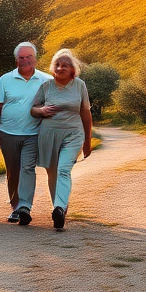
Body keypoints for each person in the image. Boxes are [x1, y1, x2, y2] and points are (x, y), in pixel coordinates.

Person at [29, 49, 93, 230]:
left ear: (73, 69)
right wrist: (40, 111)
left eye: (65, 65)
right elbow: (33, 109)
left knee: (63, 169)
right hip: (48, 134)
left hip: (73, 134)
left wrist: (87, 142)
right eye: (57, 64)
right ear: (52, 68)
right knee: (52, 172)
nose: (60, 67)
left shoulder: (79, 85)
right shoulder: (46, 87)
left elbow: (85, 113)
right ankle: (59, 205)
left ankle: (59, 208)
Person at [0, 42, 52, 225]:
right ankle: (15, 206)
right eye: (21, 57)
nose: (25, 60)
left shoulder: (46, 80)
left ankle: (24, 207)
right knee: (13, 170)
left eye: (29, 57)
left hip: (34, 133)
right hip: (8, 133)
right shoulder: (5, 80)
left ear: (35, 58)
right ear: (16, 60)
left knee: (27, 168)